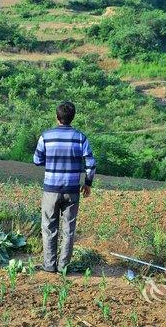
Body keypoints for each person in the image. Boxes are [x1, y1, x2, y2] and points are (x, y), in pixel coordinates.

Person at [33, 101, 96, 273]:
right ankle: (63, 266)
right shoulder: (80, 137)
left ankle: (49, 265)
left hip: (51, 190)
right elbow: (91, 163)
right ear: (72, 117)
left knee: (49, 227)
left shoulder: (46, 136)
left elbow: (37, 160)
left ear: (57, 117)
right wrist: (88, 183)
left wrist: (52, 161)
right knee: (68, 229)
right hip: (72, 190)